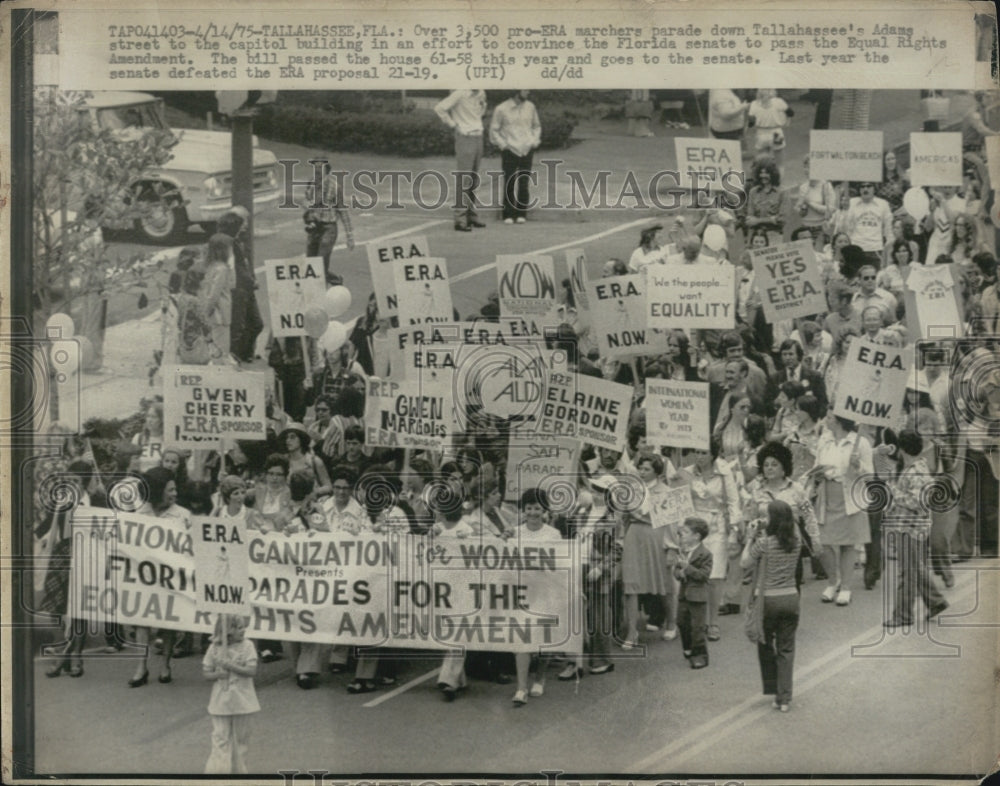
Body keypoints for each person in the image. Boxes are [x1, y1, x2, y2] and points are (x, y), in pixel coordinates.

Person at [130, 466, 191, 686]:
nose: (175, 494)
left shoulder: (183, 516)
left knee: (168, 621)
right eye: (170, 490)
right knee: (141, 621)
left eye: (175, 489)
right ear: (157, 491)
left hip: (170, 577)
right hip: (144, 576)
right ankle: (141, 666)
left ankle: (165, 665)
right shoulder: (139, 513)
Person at [883, 430, 950, 628]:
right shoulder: (916, 467)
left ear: (903, 448)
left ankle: (903, 614)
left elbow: (918, 501)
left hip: (911, 527)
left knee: (907, 572)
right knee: (915, 568)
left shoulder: (915, 471)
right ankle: (936, 601)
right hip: (909, 526)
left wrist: (894, 492)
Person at [741, 500, 802, 712]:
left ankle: (773, 688)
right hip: (791, 598)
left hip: (766, 601)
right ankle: (784, 697)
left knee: (765, 644)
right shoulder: (796, 541)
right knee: (786, 648)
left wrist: (750, 538)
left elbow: (744, 563)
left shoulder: (765, 544)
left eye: (766, 516)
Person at [808, 414, 874, 606]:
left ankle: (845, 587)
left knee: (848, 544)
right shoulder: (824, 441)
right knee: (823, 541)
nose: (824, 420)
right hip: (826, 496)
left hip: (850, 498)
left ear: (837, 420)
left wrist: (858, 465)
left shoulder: (860, 443)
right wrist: (817, 474)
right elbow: (816, 466)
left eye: (828, 417)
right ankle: (832, 581)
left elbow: (870, 476)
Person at [511, 488, 562, 705]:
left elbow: (559, 563)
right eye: (529, 508)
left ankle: (540, 677)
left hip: (546, 591)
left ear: (544, 510)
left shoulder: (553, 534)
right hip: (522, 592)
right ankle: (521, 687)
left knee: (543, 639)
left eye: (537, 508)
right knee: (521, 639)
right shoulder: (514, 532)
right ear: (523, 510)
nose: (532, 512)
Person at [202, 614, 259, 774]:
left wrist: (231, 666)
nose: (243, 630)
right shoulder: (214, 647)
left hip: (243, 701)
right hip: (221, 700)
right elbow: (206, 673)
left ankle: (239, 774)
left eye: (243, 627)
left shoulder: (248, 646)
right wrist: (218, 675)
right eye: (239, 627)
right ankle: (218, 774)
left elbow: (251, 670)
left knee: (241, 741)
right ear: (228, 630)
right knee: (220, 738)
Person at [434, 89, 488, 232]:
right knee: (464, 178)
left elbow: (479, 114)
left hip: (478, 135)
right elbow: (440, 108)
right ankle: (460, 218)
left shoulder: (481, 92)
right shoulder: (460, 93)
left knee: (474, 178)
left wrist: (483, 106)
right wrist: (454, 125)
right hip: (465, 137)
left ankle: (471, 215)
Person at [218, 209, 263, 364]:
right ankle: (236, 357)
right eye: (243, 222)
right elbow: (237, 269)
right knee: (238, 327)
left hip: (246, 289)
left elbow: (245, 265)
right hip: (239, 290)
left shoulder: (238, 242)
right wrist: (251, 281)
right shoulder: (228, 244)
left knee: (256, 324)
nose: (246, 226)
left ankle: (244, 354)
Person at [489, 89, 541, 225]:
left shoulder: (531, 107)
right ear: (516, 91)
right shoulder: (501, 108)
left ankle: (521, 213)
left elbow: (536, 126)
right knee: (509, 182)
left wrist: (534, 141)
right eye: (525, 89)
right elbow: (494, 130)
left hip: (526, 149)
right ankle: (508, 214)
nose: (528, 91)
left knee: (524, 183)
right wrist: (503, 145)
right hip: (510, 149)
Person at [674, 517, 713, 669]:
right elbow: (676, 570)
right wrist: (679, 573)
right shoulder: (682, 551)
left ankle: (700, 655)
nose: (681, 534)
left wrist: (687, 568)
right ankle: (688, 648)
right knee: (682, 622)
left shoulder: (706, 554)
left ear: (696, 536)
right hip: (684, 594)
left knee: (697, 627)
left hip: (698, 597)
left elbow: (704, 575)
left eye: (685, 532)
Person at [303, 162, 355, 274]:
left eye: (319, 168)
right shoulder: (311, 185)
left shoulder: (335, 187)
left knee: (321, 262)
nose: (316, 171)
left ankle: (327, 284)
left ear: (326, 171)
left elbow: (343, 211)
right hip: (314, 227)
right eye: (315, 168)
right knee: (310, 264)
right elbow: (307, 203)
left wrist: (349, 236)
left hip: (328, 228)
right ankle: (335, 280)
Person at [201, 234, 236, 362]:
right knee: (221, 351)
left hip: (213, 314)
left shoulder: (211, 266)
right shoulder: (222, 269)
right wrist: (207, 311)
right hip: (220, 314)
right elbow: (214, 294)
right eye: (230, 248)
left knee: (214, 349)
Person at [846, 182, 893, 267]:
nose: (865, 189)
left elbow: (888, 228)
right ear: (859, 189)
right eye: (862, 186)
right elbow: (848, 227)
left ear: (874, 188)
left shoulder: (883, 204)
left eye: (868, 186)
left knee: (875, 276)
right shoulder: (852, 203)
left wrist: (889, 248)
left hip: (876, 248)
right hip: (856, 247)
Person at [743, 157, 786, 244]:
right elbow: (749, 220)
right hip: (756, 237)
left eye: (767, 173)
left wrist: (757, 221)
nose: (763, 176)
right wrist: (771, 219)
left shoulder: (782, 192)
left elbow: (782, 219)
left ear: (773, 174)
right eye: (761, 173)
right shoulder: (753, 192)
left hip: (774, 236)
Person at [794, 156, 837, 240]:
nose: (807, 170)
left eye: (810, 167)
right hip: (804, 228)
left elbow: (831, 210)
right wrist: (800, 209)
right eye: (805, 167)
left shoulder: (826, 186)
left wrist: (810, 203)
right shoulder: (803, 187)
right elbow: (800, 211)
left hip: (821, 228)